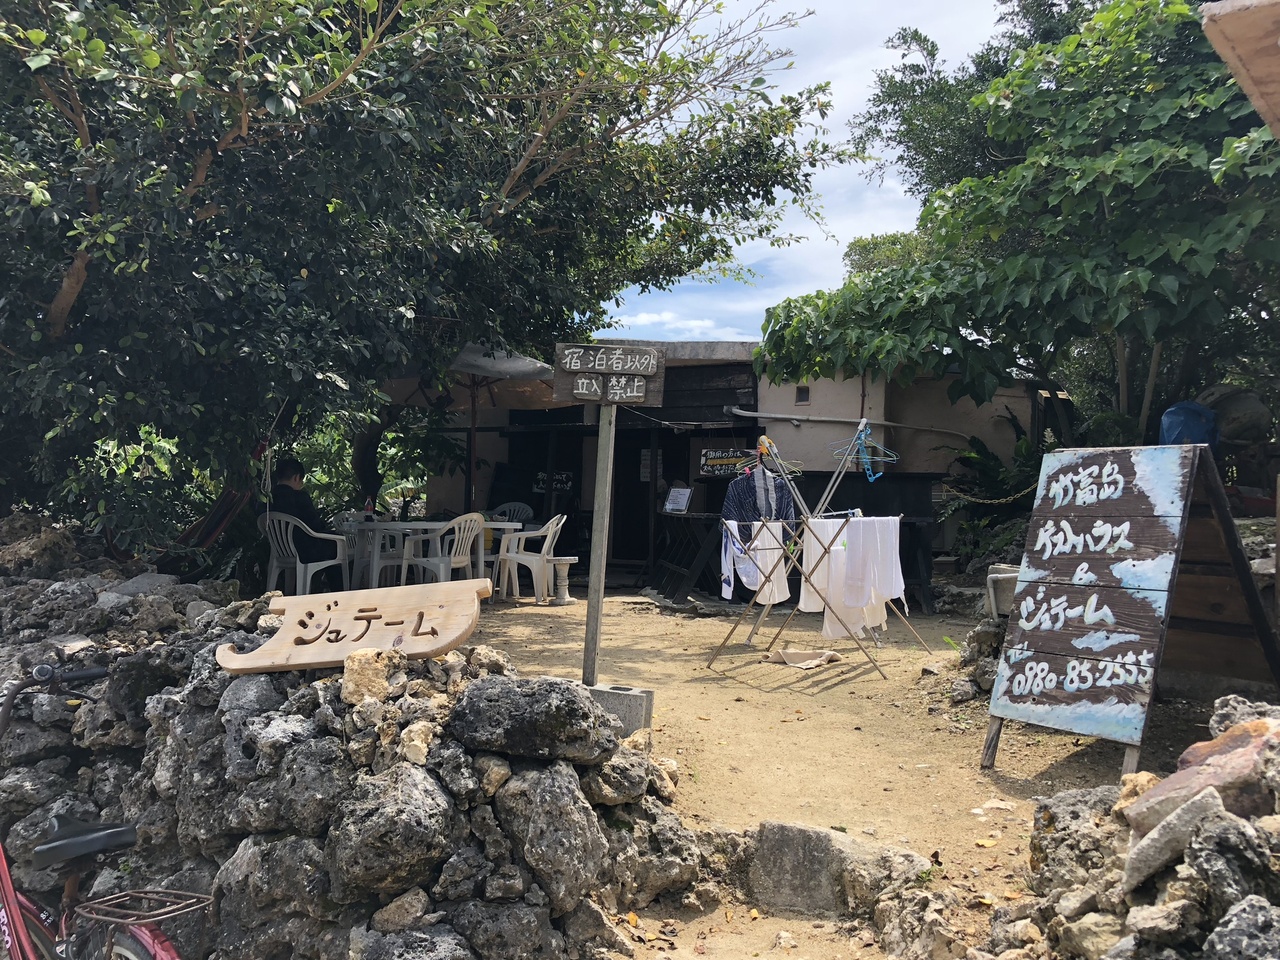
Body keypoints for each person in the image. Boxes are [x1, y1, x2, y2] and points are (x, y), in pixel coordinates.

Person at [266, 457, 343, 591]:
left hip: (280, 550)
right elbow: (315, 527)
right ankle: (339, 591)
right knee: (338, 546)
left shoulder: (267, 498)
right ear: (296, 477)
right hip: (305, 550)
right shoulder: (300, 497)